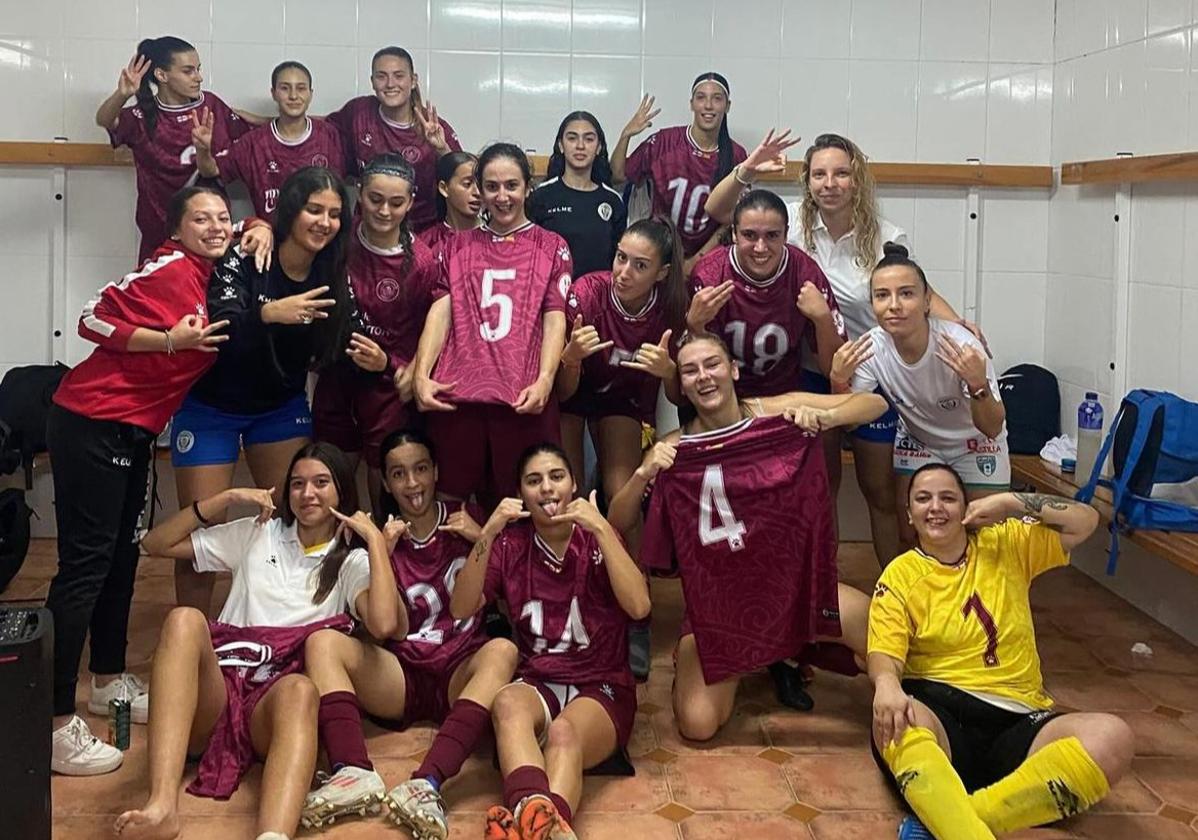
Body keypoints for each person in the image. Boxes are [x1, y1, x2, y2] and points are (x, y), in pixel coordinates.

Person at [705, 130, 970, 567]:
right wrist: (748, 169)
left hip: (874, 374)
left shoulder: (887, 236)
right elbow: (717, 210)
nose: (830, 183)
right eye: (820, 174)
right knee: (821, 486)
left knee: (878, 489)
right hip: (813, 371)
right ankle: (822, 591)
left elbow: (918, 289)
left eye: (841, 173)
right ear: (807, 181)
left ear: (857, 179)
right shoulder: (785, 224)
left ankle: (894, 590)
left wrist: (960, 325)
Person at [44, 186, 239, 776]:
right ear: (176, 228)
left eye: (222, 217)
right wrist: (169, 341)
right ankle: (52, 722)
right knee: (85, 565)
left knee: (124, 560)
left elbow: (254, 224)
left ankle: (107, 681)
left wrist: (252, 225)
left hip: (133, 434)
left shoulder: (214, 272)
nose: (215, 226)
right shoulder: (170, 266)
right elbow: (91, 317)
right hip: (91, 421)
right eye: (200, 218)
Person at [112, 443, 398, 840]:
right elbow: (155, 544)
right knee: (183, 620)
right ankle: (162, 806)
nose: (308, 493)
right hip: (221, 689)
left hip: (274, 702)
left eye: (321, 483)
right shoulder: (258, 532)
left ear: (342, 492)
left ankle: (273, 835)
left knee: (300, 688)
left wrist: (375, 542)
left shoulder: (350, 560)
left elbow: (384, 624)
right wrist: (226, 498)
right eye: (297, 484)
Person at [620, 333, 887, 741]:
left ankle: (788, 648)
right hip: (720, 606)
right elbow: (619, 518)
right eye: (690, 370)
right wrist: (644, 471)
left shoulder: (772, 412)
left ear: (733, 370)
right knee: (698, 724)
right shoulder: (675, 448)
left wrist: (827, 418)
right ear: (682, 385)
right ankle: (755, 656)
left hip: (792, 586)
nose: (703, 376)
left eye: (712, 364)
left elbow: (875, 404)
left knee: (880, 635)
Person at [868, 464, 1133, 839]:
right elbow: (884, 651)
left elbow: (1085, 521)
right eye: (923, 499)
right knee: (895, 721)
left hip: (1020, 717)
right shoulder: (900, 574)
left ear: (966, 508)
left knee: (1113, 737)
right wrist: (886, 685)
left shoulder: (1007, 543)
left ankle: (950, 819)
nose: (936, 507)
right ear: (909, 514)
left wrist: (1009, 501)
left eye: (948, 497)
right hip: (942, 717)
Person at [170, 167, 385, 613]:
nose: (324, 222)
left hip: (279, 407)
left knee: (291, 519)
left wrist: (380, 361)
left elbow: (350, 336)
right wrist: (270, 314)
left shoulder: (331, 270)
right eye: (313, 210)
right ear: (290, 212)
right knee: (200, 534)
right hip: (211, 406)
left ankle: (283, 622)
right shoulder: (244, 255)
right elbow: (220, 327)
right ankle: (195, 638)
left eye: (334, 214)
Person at [299, 430, 518, 837]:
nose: (412, 483)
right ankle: (352, 771)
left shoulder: (468, 518)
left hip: (460, 669)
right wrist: (379, 551)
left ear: (436, 471)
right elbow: (390, 628)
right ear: (385, 482)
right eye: (398, 474)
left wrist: (483, 534)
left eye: (420, 469)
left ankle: (428, 782)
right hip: (401, 675)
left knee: (502, 649)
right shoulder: (379, 538)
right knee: (322, 643)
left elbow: (514, 596)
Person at [448, 443, 651, 840]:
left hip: (602, 682)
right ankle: (542, 825)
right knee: (506, 702)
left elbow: (640, 606)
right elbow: (461, 607)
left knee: (563, 734)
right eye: (533, 480)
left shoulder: (595, 535)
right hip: (540, 678)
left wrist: (601, 529)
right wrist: (488, 530)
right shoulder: (510, 544)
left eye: (556, 476)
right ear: (520, 493)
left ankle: (535, 823)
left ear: (573, 483)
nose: (546, 489)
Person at [412, 143, 571, 504]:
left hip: (522, 398)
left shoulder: (551, 245)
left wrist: (546, 378)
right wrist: (422, 373)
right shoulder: (455, 246)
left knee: (525, 504)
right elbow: (441, 311)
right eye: (492, 187)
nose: (502, 196)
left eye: (511, 186)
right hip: (459, 397)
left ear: (528, 187)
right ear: (479, 190)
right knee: (452, 502)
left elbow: (554, 316)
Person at [835, 244, 1009, 547]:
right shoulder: (871, 347)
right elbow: (850, 423)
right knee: (912, 535)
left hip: (976, 443)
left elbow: (992, 427)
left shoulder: (960, 345)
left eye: (906, 294)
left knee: (988, 539)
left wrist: (977, 385)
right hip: (920, 441)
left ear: (927, 301)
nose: (894, 305)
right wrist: (838, 379)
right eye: (882, 296)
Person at [311, 155, 439, 513]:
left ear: (411, 202)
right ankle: (334, 562)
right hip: (335, 380)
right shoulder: (335, 242)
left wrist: (396, 364)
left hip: (386, 390)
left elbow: (432, 331)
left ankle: (382, 558)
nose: (384, 211)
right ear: (359, 194)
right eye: (375, 199)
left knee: (383, 482)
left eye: (396, 203)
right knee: (330, 479)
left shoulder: (422, 262)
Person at [556, 217, 687, 518]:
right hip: (574, 399)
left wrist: (669, 371)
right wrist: (572, 358)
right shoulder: (587, 293)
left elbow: (679, 398)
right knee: (569, 496)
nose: (624, 273)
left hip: (623, 402)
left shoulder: (670, 309)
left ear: (662, 273)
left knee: (623, 496)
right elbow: (562, 395)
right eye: (621, 258)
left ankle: (632, 565)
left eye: (640, 266)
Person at [96, 38, 262, 263]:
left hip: (209, 232)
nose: (198, 77)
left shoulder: (211, 106)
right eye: (188, 71)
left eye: (198, 69)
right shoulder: (144, 115)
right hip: (159, 228)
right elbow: (105, 119)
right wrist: (122, 94)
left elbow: (256, 135)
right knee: (162, 294)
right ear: (162, 75)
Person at [687, 188, 846, 394]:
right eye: (749, 235)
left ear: (786, 234)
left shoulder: (804, 274)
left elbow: (834, 370)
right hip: (723, 396)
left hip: (785, 398)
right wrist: (695, 325)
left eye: (772, 235)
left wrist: (823, 319)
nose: (760, 247)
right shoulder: (710, 275)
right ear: (734, 233)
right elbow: (693, 371)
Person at [609, 73, 747, 272]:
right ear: (692, 104)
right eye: (701, 97)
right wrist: (626, 135)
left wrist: (695, 262)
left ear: (728, 106)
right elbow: (618, 175)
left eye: (717, 98)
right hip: (659, 253)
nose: (708, 105)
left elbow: (733, 219)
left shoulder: (736, 155)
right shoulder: (664, 142)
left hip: (711, 257)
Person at [329, 46, 461, 233]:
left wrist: (442, 149)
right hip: (367, 231)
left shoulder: (432, 127)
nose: (390, 84)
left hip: (422, 231)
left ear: (413, 81)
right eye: (381, 76)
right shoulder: (358, 113)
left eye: (399, 76)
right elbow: (322, 138)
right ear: (372, 82)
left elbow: (463, 180)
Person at [194, 60, 345, 220]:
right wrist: (203, 150)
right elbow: (210, 171)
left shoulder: (330, 136)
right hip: (271, 239)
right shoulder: (254, 143)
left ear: (310, 93)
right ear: (273, 93)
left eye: (301, 88)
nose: (293, 96)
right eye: (285, 88)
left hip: (323, 237)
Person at [528, 111, 627, 278]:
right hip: (552, 298)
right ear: (561, 145)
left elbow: (620, 259)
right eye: (572, 138)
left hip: (598, 298)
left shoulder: (613, 201)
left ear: (599, 147)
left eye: (589, 139)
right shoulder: (541, 196)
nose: (580, 145)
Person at [419, 151, 482, 267]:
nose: (477, 192)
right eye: (467, 184)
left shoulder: (497, 236)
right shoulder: (426, 244)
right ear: (444, 188)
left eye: (481, 184)